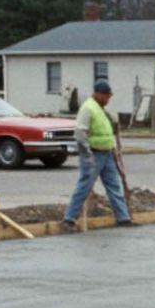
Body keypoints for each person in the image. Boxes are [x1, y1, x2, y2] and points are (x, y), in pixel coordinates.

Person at [63, 80, 131, 231]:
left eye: (109, 96)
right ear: (98, 94)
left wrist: (113, 147)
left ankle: (123, 218)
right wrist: (87, 154)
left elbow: (106, 131)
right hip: (93, 154)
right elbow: (80, 133)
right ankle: (69, 219)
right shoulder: (88, 108)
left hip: (106, 154)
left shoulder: (100, 109)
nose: (108, 99)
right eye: (106, 96)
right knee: (84, 186)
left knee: (114, 186)